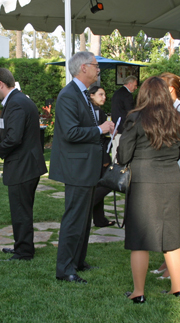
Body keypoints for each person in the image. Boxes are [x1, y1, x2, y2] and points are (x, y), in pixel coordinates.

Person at [118, 76, 180, 303]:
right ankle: (176, 289)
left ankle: (138, 292)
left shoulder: (136, 118)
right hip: (170, 178)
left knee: (139, 239)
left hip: (143, 180)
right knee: (171, 238)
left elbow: (124, 155)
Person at [50, 52, 115, 284]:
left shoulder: (82, 94)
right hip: (76, 168)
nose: (99, 70)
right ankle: (65, 269)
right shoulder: (68, 95)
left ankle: (78, 261)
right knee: (74, 218)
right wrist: (100, 129)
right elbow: (71, 133)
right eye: (96, 66)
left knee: (84, 218)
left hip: (87, 167)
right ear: (83, 68)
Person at [0, 68, 47, 261]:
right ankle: (22, 246)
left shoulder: (16, 104)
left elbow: (14, 138)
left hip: (23, 166)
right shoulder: (19, 100)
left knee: (21, 210)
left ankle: (24, 252)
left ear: (0, 84)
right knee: (22, 209)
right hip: (27, 164)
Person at [149, 72, 180, 280]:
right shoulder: (165, 109)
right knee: (165, 217)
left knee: (174, 218)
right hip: (166, 170)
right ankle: (165, 262)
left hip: (178, 169)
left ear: (170, 89)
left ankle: (172, 268)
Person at [88, 86, 115, 228]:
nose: (104, 97)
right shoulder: (95, 111)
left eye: (104, 94)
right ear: (91, 95)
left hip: (99, 152)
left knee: (99, 184)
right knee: (106, 184)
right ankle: (87, 207)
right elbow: (98, 134)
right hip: (99, 154)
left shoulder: (98, 110)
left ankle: (99, 219)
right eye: (100, 94)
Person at [111, 75, 138, 159]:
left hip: (115, 127)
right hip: (124, 128)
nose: (136, 88)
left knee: (115, 150)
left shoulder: (117, 92)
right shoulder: (127, 95)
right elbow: (130, 112)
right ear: (129, 84)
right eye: (135, 85)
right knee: (123, 153)